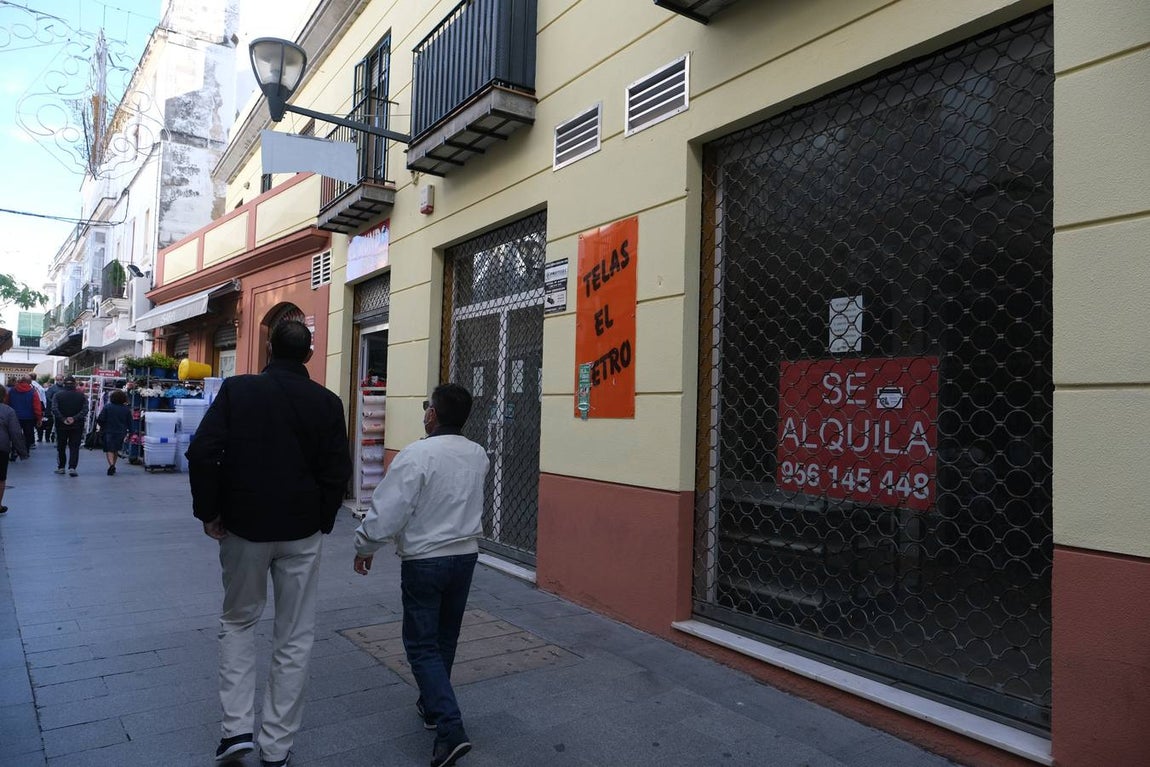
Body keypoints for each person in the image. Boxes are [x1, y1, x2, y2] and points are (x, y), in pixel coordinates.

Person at [186, 320, 352, 767]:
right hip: (302, 531)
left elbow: (202, 452)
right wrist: (322, 520)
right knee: (294, 636)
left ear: (268, 348)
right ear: (308, 356)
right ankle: (276, 746)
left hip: (244, 528)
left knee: (239, 622)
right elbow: (338, 470)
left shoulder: (239, 391)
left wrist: (211, 511)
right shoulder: (327, 402)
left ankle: (236, 730)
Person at [353, 383, 490, 767]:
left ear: (433, 415)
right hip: (464, 557)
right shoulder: (478, 454)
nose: (426, 412)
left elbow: (389, 511)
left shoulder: (416, 455)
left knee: (420, 645)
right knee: (444, 638)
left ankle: (450, 727)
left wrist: (364, 547)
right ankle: (432, 708)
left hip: (425, 560)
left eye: (428, 407)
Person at [0, 384, 29, 514]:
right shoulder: (8, 411)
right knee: (0, 477)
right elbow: (16, 433)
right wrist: (22, 452)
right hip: (2, 447)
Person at [52, 375, 88, 477]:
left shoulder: (58, 395)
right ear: (75, 384)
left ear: (64, 384)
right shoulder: (82, 396)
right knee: (74, 447)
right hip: (77, 425)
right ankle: (72, 467)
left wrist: (63, 418)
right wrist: (74, 418)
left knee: (61, 446)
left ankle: (61, 467)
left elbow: (54, 409)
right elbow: (85, 410)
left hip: (61, 425)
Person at [96, 389, 132, 475]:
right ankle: (113, 465)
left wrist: (102, 426)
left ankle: (111, 465)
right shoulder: (126, 409)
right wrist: (130, 432)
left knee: (109, 449)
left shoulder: (107, 407)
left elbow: (101, 419)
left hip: (108, 431)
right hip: (121, 432)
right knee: (115, 449)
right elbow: (129, 422)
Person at [6, 376, 42, 457]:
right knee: (28, 435)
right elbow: (36, 406)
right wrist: (39, 418)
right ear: (29, 382)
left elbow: (7, 403)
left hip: (14, 417)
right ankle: (25, 452)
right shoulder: (33, 392)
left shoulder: (12, 391)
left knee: (15, 435)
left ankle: (14, 451)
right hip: (29, 417)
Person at [43, 376, 61, 443]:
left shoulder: (65, 388)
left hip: (63, 409)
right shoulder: (52, 388)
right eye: (58, 379)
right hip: (54, 409)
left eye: (61, 379)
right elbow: (48, 397)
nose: (59, 381)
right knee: (52, 424)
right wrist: (54, 403)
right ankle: (52, 436)